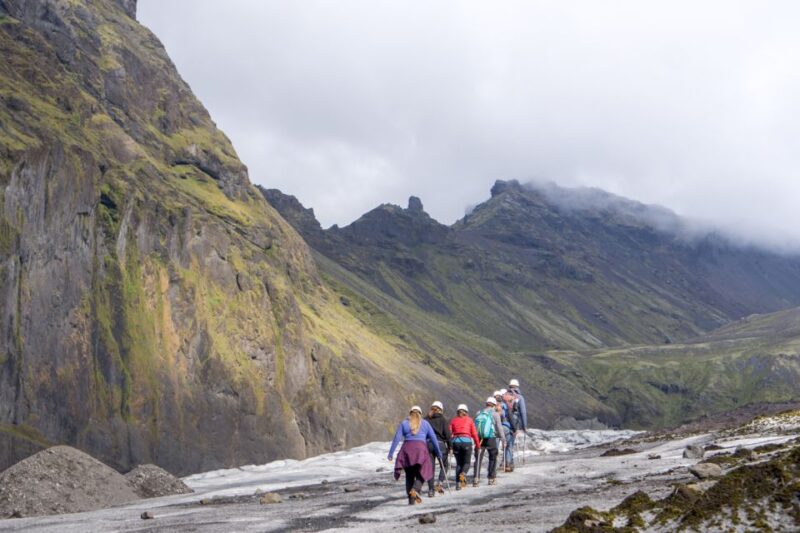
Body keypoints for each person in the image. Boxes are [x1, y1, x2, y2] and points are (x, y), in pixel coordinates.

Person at [388, 406, 443, 505]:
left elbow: (397, 438)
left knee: (409, 476)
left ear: (410, 413)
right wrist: (438, 452)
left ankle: (411, 501)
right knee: (424, 472)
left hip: (407, 450)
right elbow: (434, 439)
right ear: (420, 414)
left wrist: (391, 453)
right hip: (421, 450)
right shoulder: (425, 423)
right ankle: (415, 489)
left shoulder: (404, 423)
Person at [473, 396, 504, 486]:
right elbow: (499, 427)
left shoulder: (479, 413)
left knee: (478, 458)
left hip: (480, 438)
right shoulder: (495, 414)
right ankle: (491, 478)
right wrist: (503, 439)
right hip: (491, 438)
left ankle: (476, 478)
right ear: (494, 405)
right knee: (492, 458)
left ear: (486, 404)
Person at [449, 404, 480, 490]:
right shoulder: (469, 420)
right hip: (466, 442)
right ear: (466, 412)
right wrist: (478, 445)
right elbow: (474, 433)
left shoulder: (453, 420)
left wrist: (449, 445)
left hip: (456, 442)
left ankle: (458, 484)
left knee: (459, 463)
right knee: (467, 462)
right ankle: (463, 473)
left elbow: (449, 433)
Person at [425, 401, 451, 497]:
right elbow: (447, 434)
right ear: (440, 409)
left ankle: (431, 490)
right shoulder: (443, 419)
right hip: (440, 444)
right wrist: (450, 446)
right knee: (444, 465)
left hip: (428, 445)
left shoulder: (426, 419)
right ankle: (440, 482)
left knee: (430, 468)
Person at [503, 379, 528, 472]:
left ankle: (505, 462)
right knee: (510, 444)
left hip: (503, 422)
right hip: (514, 423)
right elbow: (523, 412)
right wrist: (524, 426)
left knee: (505, 443)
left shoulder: (504, 396)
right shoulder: (520, 397)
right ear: (517, 386)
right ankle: (508, 464)